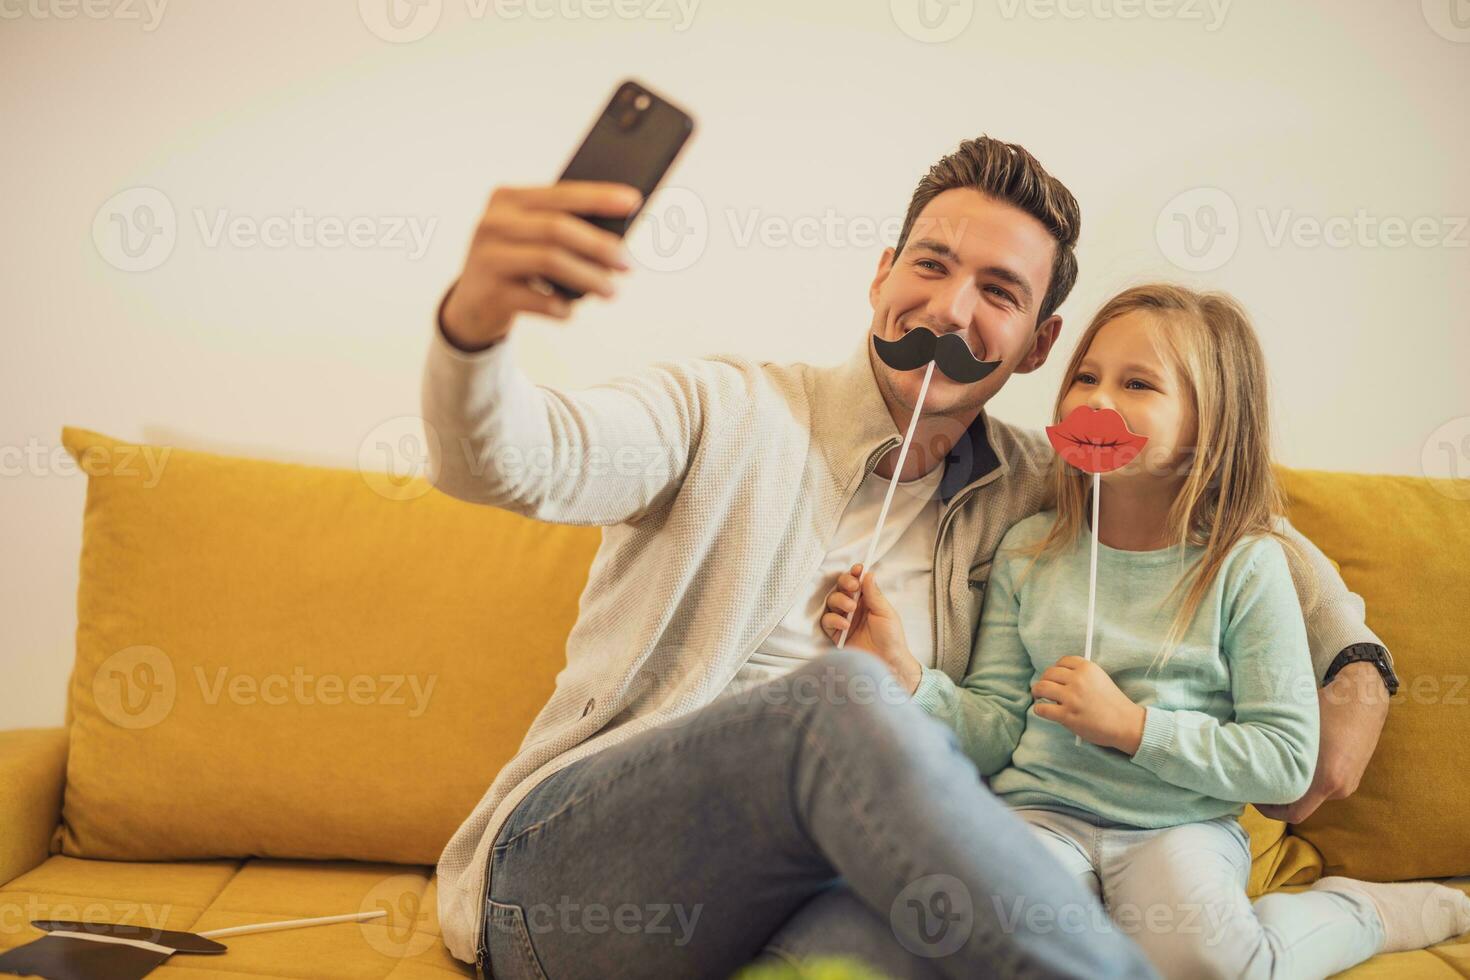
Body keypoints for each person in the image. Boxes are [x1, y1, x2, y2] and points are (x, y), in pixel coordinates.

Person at [421, 136, 1399, 978]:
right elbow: (513, 458)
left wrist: (1354, 663)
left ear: (1034, 343)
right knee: (845, 695)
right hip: (577, 892)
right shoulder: (727, 411)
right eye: (929, 265)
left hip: (816, 901)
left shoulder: (1036, 489)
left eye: (998, 291)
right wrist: (477, 322)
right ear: (882, 274)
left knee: (920, 929)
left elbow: (1229, 518)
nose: (947, 308)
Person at [821, 283, 1469, 977]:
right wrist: (907, 677)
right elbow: (996, 728)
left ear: (1208, 426)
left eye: (1138, 384)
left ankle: (1362, 912)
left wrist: (1133, 727)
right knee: (989, 942)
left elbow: (1282, 760)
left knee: (1212, 964)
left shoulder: (1247, 569)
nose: (1098, 402)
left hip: (1179, 828)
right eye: (1086, 378)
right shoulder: (1028, 551)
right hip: (1040, 819)